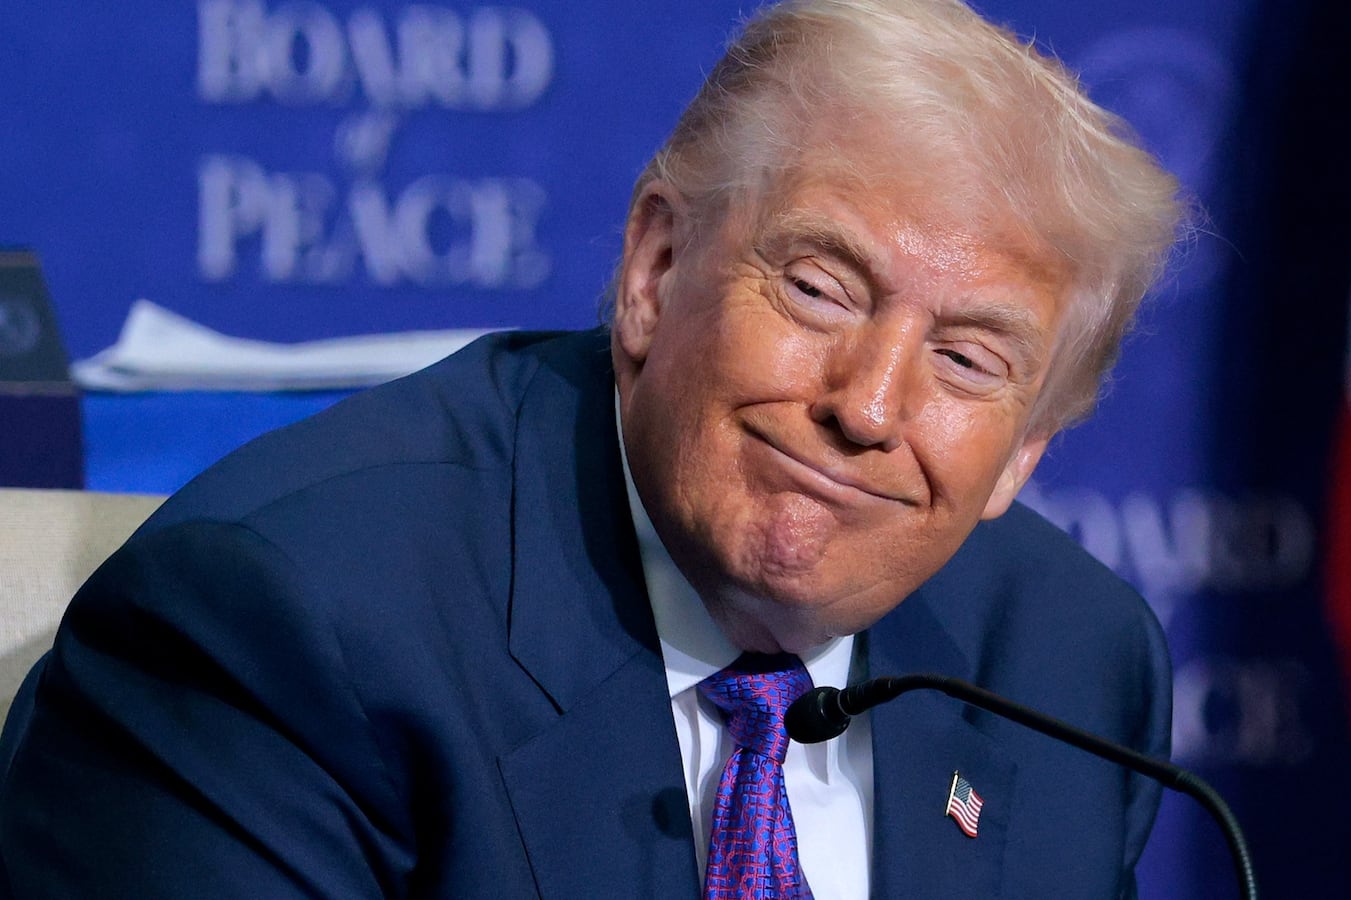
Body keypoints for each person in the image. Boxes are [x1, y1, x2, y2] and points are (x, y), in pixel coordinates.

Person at [0, 0, 1181, 897]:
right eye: (821, 289)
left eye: (969, 361)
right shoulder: (289, 624)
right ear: (655, 273)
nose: (868, 407)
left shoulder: (1069, 664)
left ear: (1026, 451)